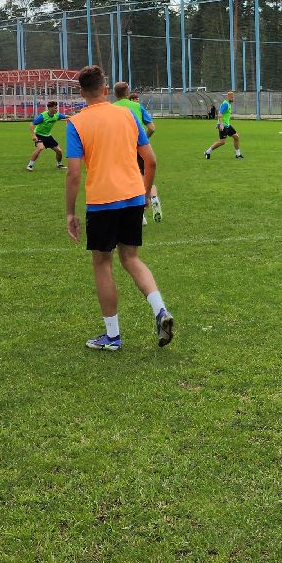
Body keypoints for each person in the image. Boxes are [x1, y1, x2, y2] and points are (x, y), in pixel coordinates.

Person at [64, 64, 174, 350]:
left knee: (102, 263)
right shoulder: (127, 114)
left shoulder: (75, 123)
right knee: (132, 258)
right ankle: (160, 310)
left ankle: (112, 336)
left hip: (102, 202)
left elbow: (74, 173)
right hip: (133, 198)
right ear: (104, 89)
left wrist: (70, 213)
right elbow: (151, 161)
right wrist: (147, 192)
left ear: (81, 92)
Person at [114, 82, 162, 222]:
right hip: (141, 148)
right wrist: (144, 140)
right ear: (127, 93)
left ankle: (139, 215)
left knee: (129, 181)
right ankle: (153, 198)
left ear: (115, 94)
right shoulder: (137, 107)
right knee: (144, 177)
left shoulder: (112, 108)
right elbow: (152, 128)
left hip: (122, 149)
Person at [28, 101, 68, 171]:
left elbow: (67, 117)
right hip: (39, 135)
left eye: (57, 108)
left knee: (59, 151)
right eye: (55, 108)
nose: (57, 109)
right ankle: (30, 165)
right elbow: (32, 124)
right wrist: (33, 136)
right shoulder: (43, 116)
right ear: (49, 108)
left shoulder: (57, 115)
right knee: (40, 148)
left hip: (48, 136)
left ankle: (59, 165)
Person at [206, 90, 242, 159]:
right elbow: (220, 114)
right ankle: (207, 152)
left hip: (227, 125)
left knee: (236, 137)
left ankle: (238, 154)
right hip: (223, 126)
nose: (232, 99)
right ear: (228, 97)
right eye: (231, 97)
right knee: (222, 142)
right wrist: (221, 124)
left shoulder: (228, 104)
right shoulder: (225, 104)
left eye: (233, 97)